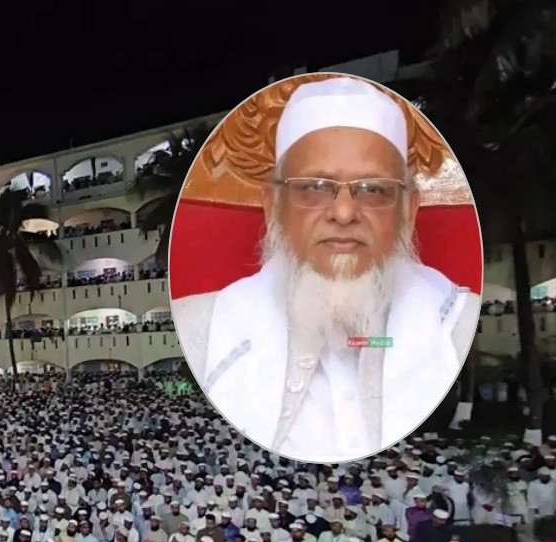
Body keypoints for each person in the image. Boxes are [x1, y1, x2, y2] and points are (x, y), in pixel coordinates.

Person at [172, 75, 477, 463]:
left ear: (408, 210)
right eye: (315, 187)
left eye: (373, 189)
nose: (344, 213)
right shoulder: (205, 325)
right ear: (273, 206)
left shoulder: (456, 323)